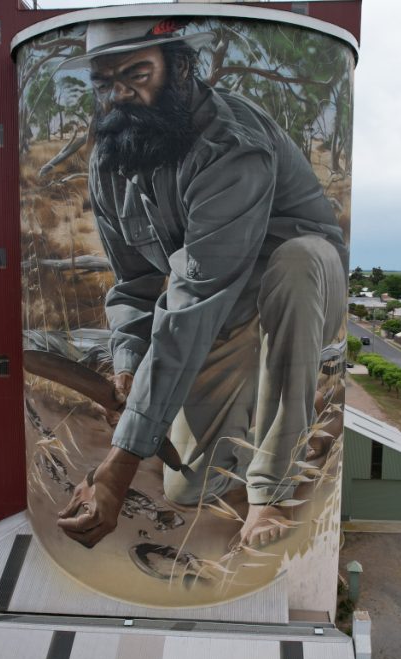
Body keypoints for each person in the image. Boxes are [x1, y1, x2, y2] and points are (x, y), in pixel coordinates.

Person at [55, 18, 348, 549]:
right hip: (218, 310)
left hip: (295, 290)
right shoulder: (111, 161)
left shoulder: (231, 146)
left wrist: (117, 469)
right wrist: (127, 367)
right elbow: (138, 281)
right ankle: (257, 421)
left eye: (137, 72)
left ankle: (271, 490)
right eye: (105, 81)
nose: (120, 93)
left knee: (296, 263)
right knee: (190, 488)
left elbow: (193, 301)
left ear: (182, 68)